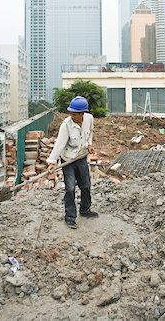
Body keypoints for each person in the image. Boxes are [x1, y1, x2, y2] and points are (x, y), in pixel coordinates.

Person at [47, 96, 99, 229]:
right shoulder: (66, 125)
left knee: (86, 185)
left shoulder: (89, 119)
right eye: (70, 112)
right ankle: (70, 217)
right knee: (70, 188)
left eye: (74, 114)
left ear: (82, 114)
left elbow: (90, 132)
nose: (71, 115)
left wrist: (89, 144)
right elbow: (59, 144)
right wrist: (52, 161)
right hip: (68, 160)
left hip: (81, 156)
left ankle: (85, 210)